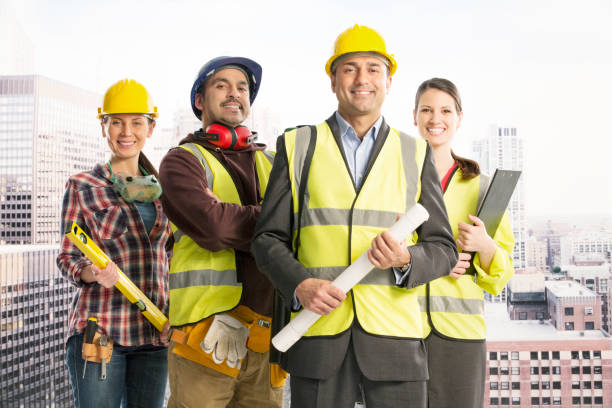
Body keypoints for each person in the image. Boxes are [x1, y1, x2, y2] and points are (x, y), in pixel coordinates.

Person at [251, 25, 458, 408]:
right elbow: (267, 239)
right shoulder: (298, 146)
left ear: (388, 80)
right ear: (333, 80)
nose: (362, 79)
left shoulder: (415, 152)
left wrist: (407, 259)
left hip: (395, 340)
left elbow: (444, 249)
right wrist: (299, 285)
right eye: (349, 69)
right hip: (318, 336)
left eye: (373, 68)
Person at [158, 56, 285, 408]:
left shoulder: (274, 162)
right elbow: (212, 227)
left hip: (266, 335)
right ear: (200, 100)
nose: (234, 94)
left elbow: (298, 227)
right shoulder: (182, 161)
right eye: (222, 85)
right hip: (204, 336)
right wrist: (272, 219)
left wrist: (238, 217)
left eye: (242, 87)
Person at [57, 79, 171, 408]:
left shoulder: (166, 189)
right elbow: (66, 256)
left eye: (137, 122)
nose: (126, 131)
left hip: (154, 333)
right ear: (103, 126)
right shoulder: (83, 185)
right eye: (116, 121)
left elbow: (174, 260)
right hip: (101, 329)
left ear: (150, 128)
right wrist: (91, 272)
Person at [412, 78, 515, 408]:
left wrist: (484, 245)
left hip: (461, 334)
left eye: (445, 110)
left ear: (459, 118)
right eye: (426, 110)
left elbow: (502, 275)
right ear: (414, 116)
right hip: (400, 327)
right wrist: (434, 258)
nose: (435, 118)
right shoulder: (395, 180)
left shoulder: (483, 188)